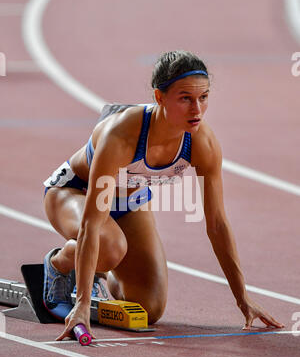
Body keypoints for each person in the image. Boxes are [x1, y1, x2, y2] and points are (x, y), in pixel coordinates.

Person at [42, 50, 284, 341]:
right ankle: (59, 263)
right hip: (72, 192)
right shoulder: (121, 136)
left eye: (204, 97)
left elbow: (217, 223)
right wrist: (81, 305)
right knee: (108, 245)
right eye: (185, 98)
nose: (197, 109)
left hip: (129, 204)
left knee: (149, 307)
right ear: (159, 97)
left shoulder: (202, 143)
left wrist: (242, 297)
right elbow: (92, 223)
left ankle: (96, 271)